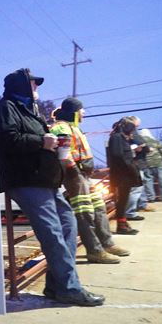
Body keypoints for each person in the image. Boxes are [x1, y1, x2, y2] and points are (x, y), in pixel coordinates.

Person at [0, 69, 105, 307]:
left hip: (46, 180)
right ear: (21, 86)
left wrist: (51, 141)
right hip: (26, 179)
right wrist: (42, 141)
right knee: (52, 234)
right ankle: (70, 288)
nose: (37, 89)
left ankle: (56, 285)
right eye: (34, 84)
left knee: (68, 224)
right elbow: (6, 140)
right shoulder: (5, 108)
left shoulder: (30, 111)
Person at [50, 98, 129, 264]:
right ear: (74, 111)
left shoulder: (73, 127)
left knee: (99, 207)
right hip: (75, 176)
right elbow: (63, 154)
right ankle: (94, 250)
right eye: (81, 109)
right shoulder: (61, 127)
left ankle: (106, 244)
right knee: (84, 212)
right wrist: (74, 171)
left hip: (83, 175)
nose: (83, 112)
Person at [107, 118, 143, 235]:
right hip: (122, 174)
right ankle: (121, 225)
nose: (133, 131)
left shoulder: (120, 137)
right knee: (122, 200)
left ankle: (123, 223)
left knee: (124, 199)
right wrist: (130, 167)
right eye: (132, 128)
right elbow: (118, 155)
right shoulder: (117, 137)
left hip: (124, 173)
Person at [138, 128, 162, 202]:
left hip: (146, 164)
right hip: (158, 163)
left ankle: (151, 198)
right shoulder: (155, 141)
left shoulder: (140, 143)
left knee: (148, 181)